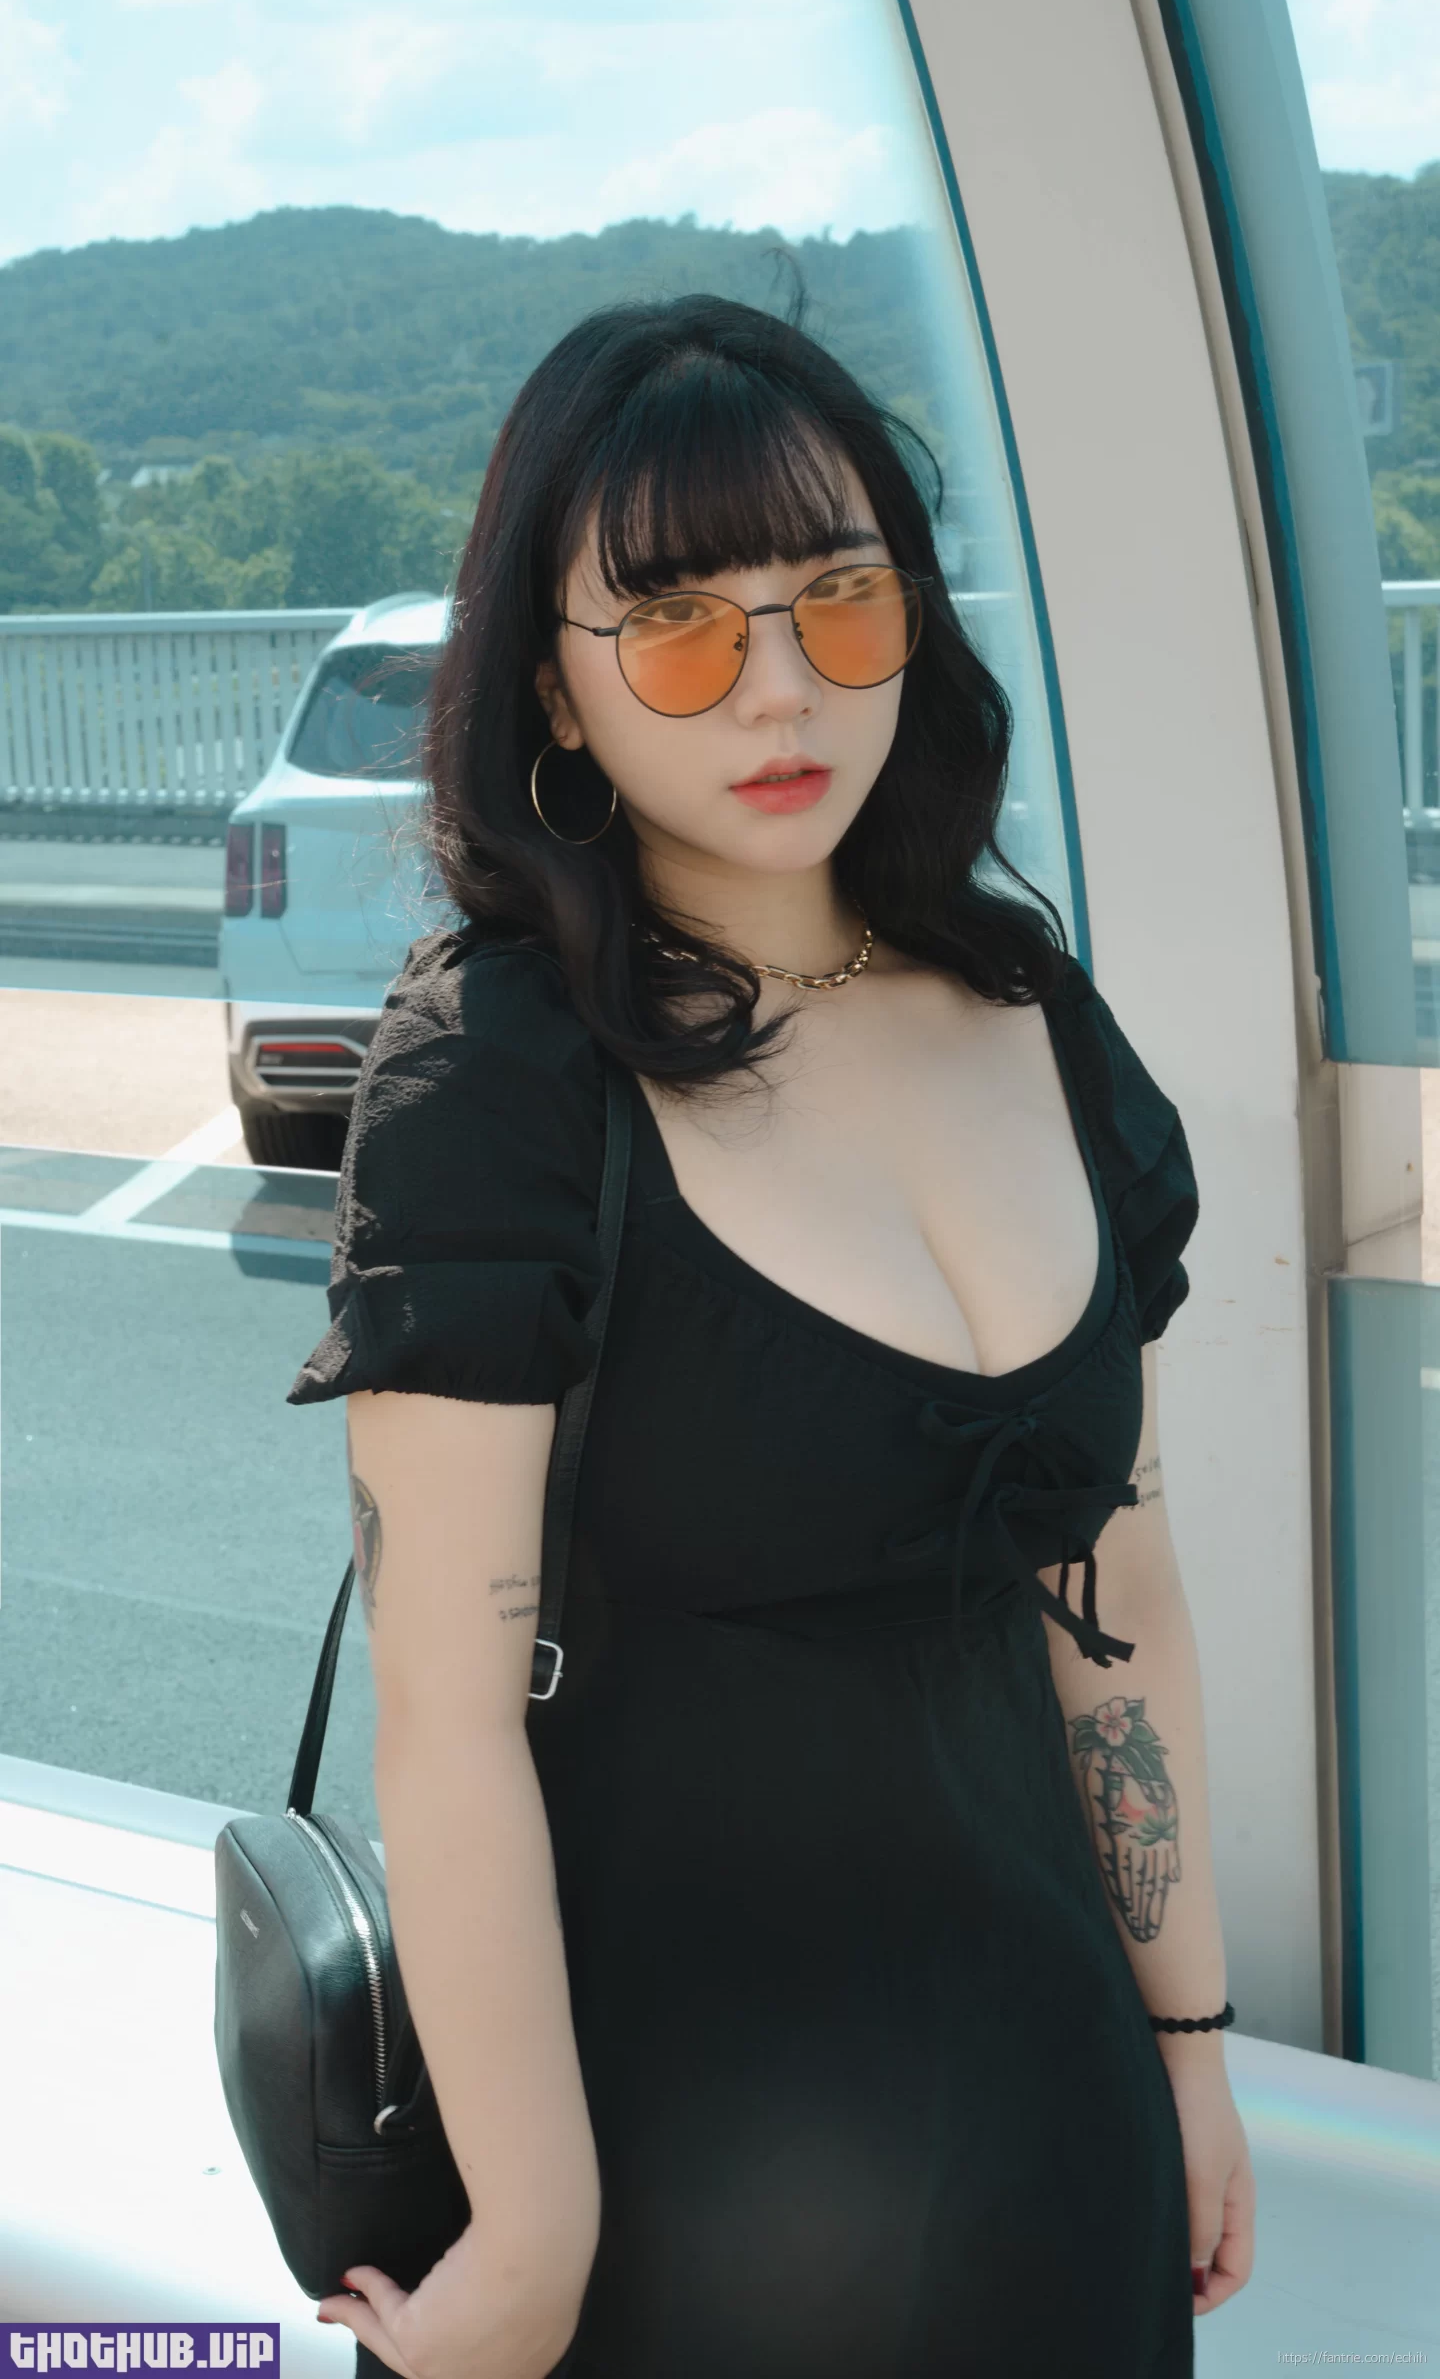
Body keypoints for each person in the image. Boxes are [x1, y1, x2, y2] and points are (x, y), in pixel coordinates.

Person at [287, 292, 1255, 2379]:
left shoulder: (1030, 1014)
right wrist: (535, 2233)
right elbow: (444, 1718)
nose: (783, 684)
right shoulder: (501, 1075)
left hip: (1060, 2138)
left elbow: (1120, 1599)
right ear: (553, 691)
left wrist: (1190, 2042)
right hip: (670, 2186)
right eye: (680, 629)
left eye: (840, 594)